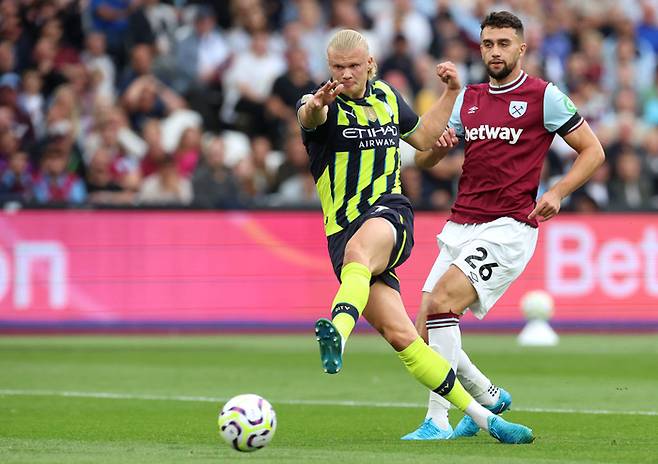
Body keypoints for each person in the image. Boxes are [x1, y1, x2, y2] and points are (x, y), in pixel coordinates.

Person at [296, 28, 534, 444]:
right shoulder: (320, 104)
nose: (346, 74)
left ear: (370, 64)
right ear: (328, 69)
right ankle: (487, 417)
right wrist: (316, 105)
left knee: (360, 251)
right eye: (337, 67)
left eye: (354, 66)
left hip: (390, 212)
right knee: (405, 337)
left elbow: (423, 138)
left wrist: (450, 93)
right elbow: (308, 118)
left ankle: (338, 331)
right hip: (342, 232)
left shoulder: (388, 96)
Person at [403, 11, 605, 440]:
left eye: (503, 43)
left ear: (521, 48)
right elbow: (422, 160)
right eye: (488, 44)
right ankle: (488, 395)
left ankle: (437, 420)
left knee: (441, 304)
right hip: (461, 223)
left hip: (509, 226)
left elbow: (592, 150)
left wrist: (557, 192)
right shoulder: (467, 99)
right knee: (420, 332)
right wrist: (436, 150)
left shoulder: (544, 96)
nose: (495, 51)